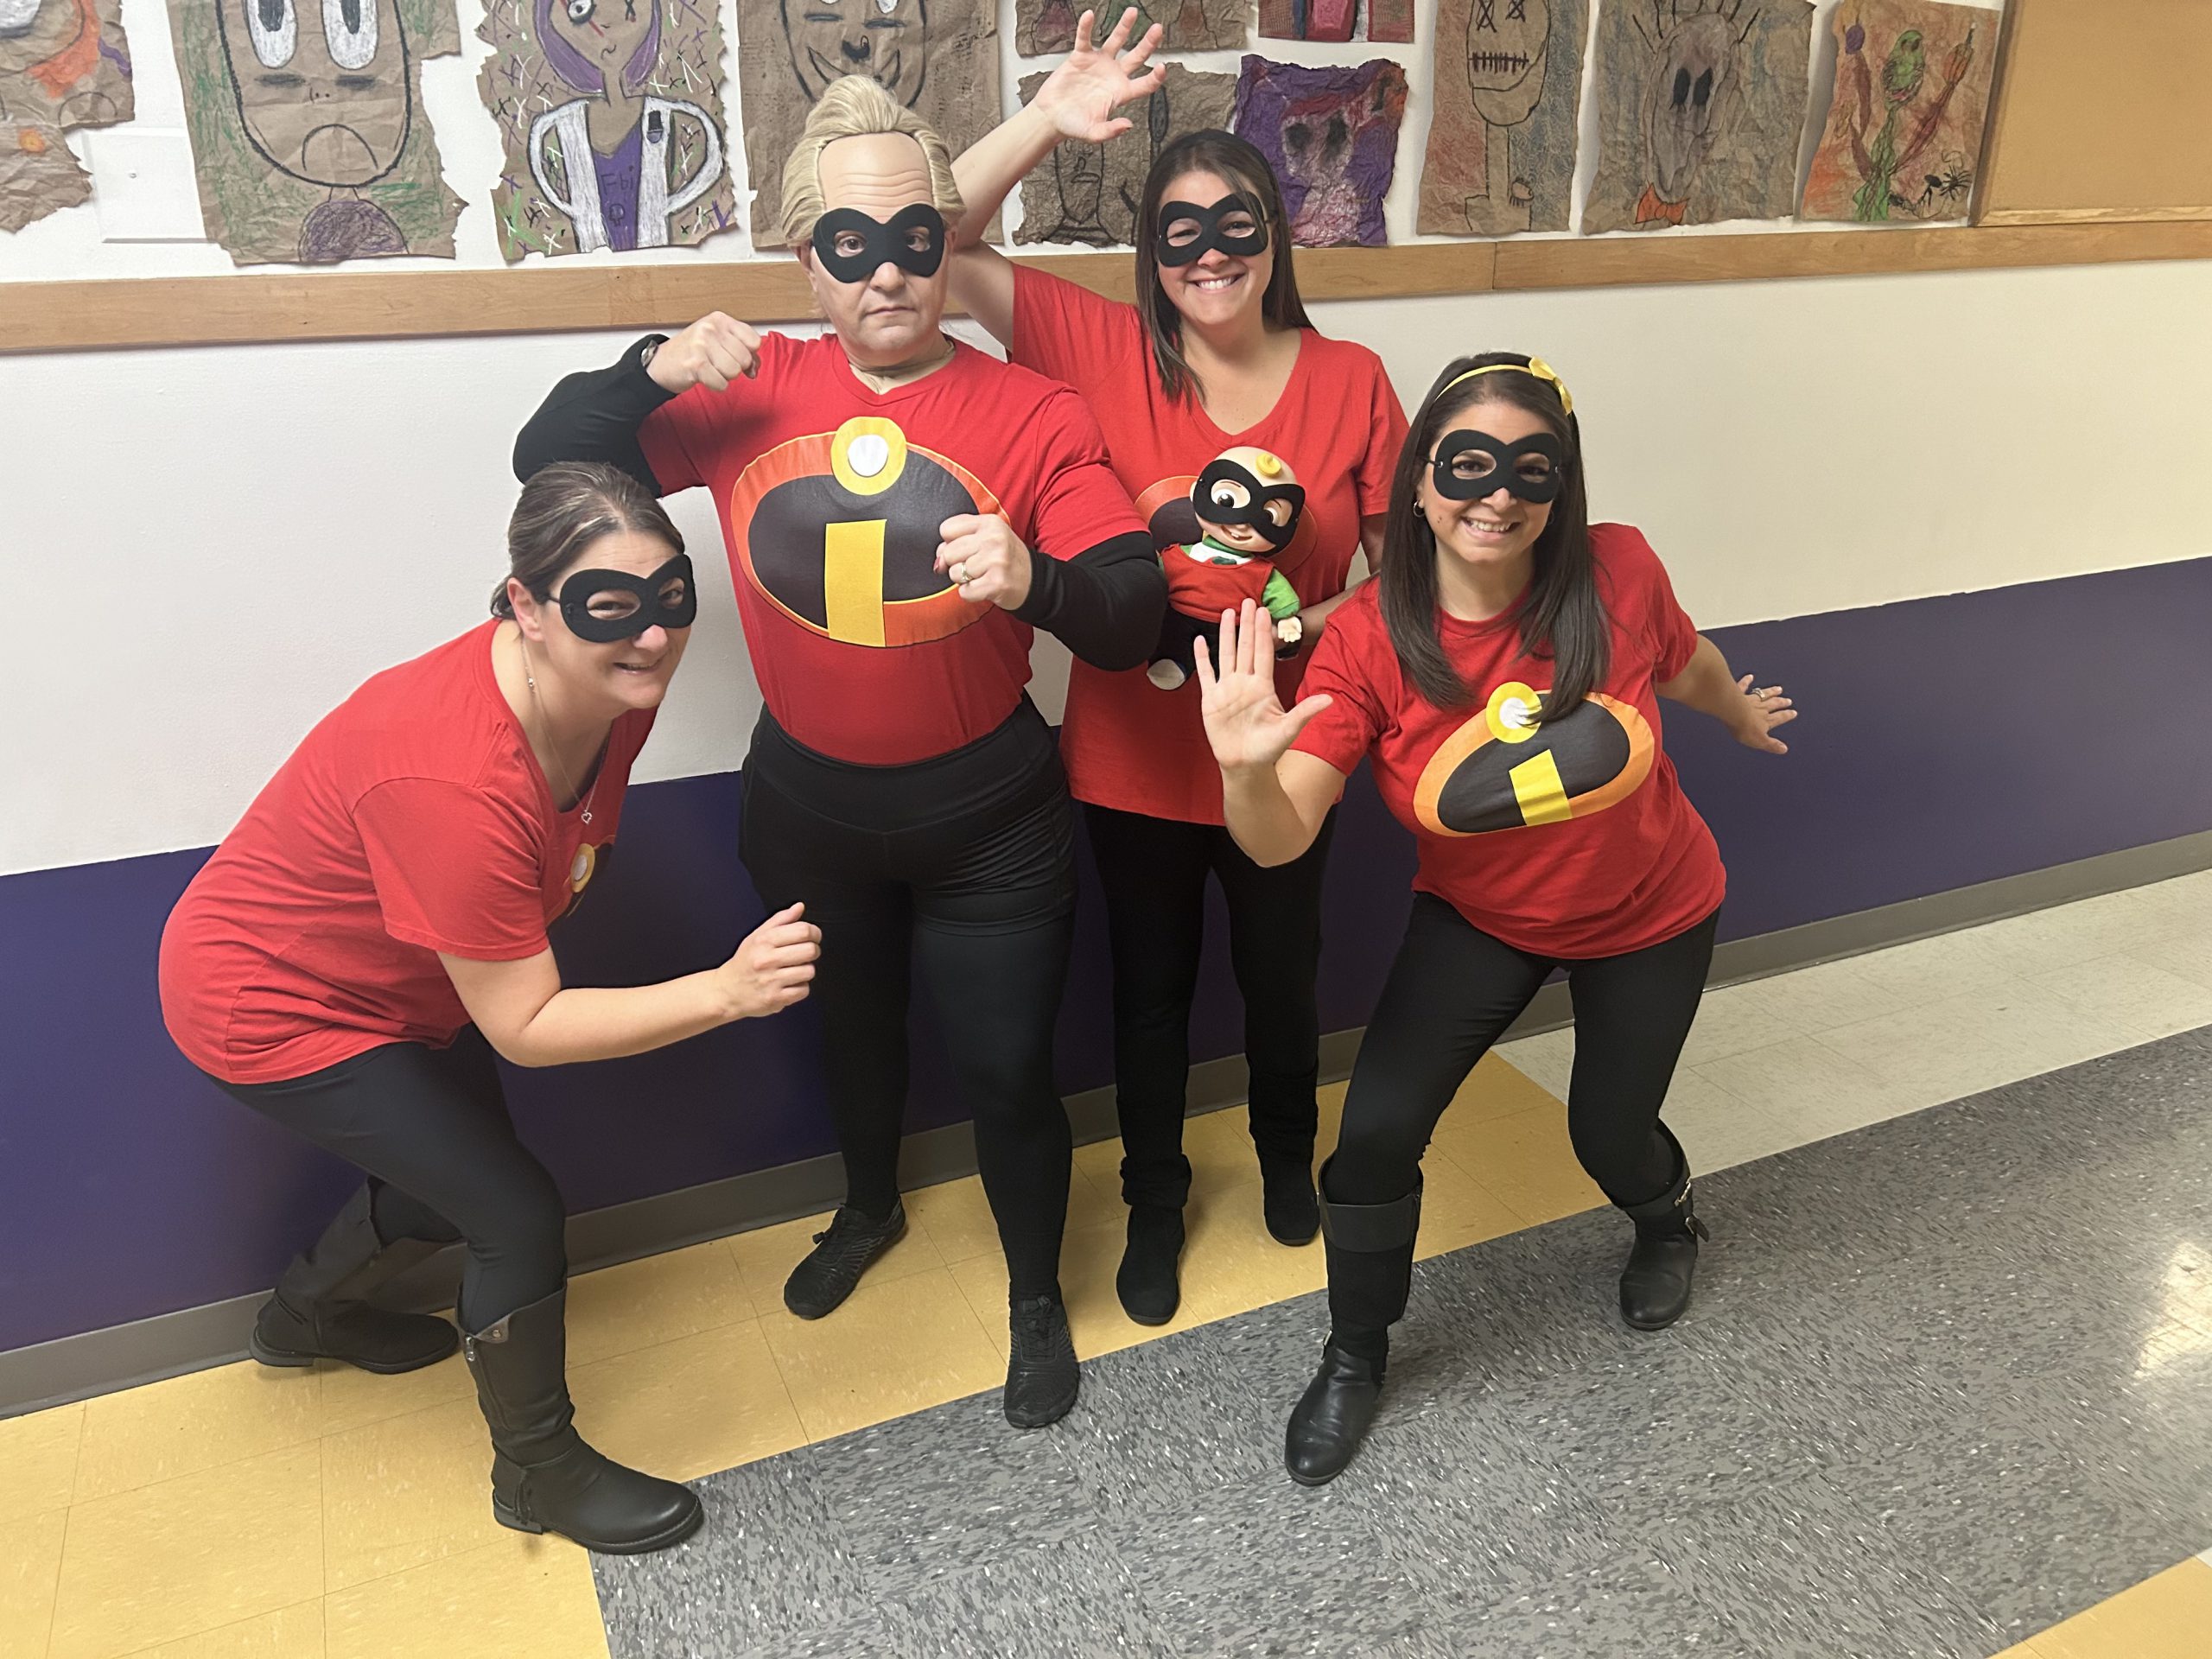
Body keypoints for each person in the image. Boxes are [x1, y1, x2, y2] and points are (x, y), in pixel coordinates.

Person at [512, 76, 1166, 1427]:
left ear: (948, 243)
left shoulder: (1035, 414)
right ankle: (867, 1209)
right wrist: (650, 367)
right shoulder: (748, 389)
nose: (888, 277)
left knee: (1005, 1071)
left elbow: (1132, 613)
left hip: (992, 812)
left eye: (918, 241)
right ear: (805, 259)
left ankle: (1037, 1295)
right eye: (851, 248)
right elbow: (547, 462)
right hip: (808, 807)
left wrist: (1034, 578)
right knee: (852, 1035)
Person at [158, 462, 823, 1552]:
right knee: (509, 1210)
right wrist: (725, 993)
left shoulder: (610, 692)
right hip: (270, 1003)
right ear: (523, 603)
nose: (653, 637)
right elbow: (525, 1027)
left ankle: (303, 1320)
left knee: (448, 1187)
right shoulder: (452, 772)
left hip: (404, 986)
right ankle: (537, 1474)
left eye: (672, 598)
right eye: (608, 607)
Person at [1194, 353, 1797, 1484]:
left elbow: (1687, 661)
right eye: (1467, 464)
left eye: (1533, 469)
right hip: (1483, 919)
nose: (1498, 493)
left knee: (1607, 1134)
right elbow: (1283, 835)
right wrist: (1240, 771)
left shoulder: (1616, 571)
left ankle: (1669, 1223)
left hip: (1650, 910)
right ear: (1419, 482)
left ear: (1562, 488)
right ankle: (1357, 1353)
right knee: (1371, 1137)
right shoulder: (1371, 636)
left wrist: (1735, 713)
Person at [946, 11, 1408, 1326]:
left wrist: (1311, 642)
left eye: (1238, 227)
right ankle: (1156, 1198)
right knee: (1146, 1000)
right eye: (1180, 232)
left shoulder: (1354, 378)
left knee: (1281, 982)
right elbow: (949, 240)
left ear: (1278, 239)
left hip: (1291, 752)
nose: (1211, 257)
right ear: (1150, 254)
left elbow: (1398, 576)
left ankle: (1279, 1157)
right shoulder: (1098, 350)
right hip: (1135, 756)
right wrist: (1048, 117)